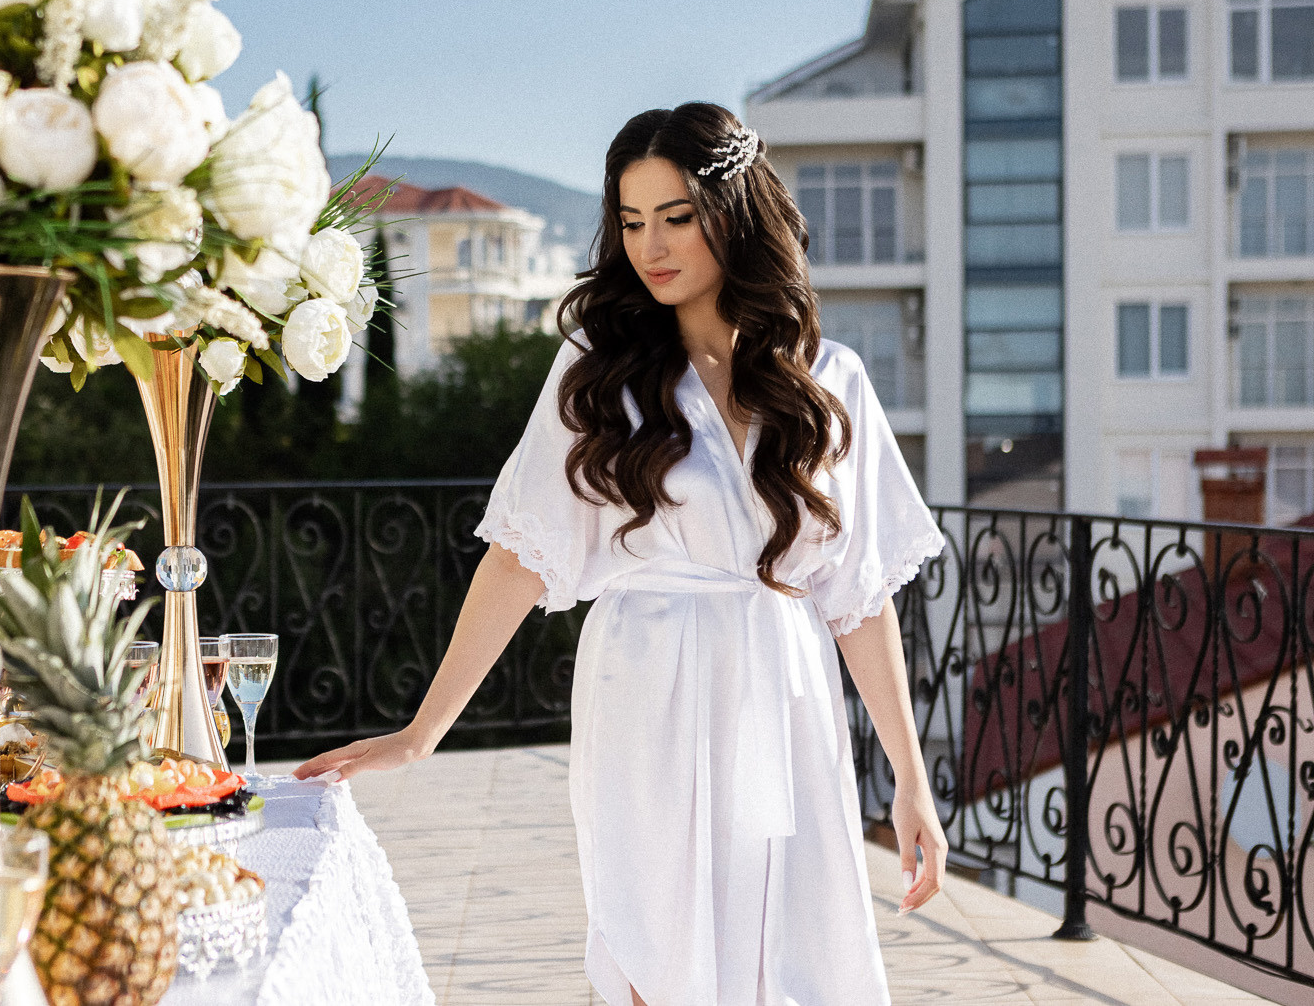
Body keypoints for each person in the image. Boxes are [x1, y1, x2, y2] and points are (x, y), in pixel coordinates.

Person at [296, 103, 949, 1006]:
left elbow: (859, 597)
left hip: (787, 698)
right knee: (653, 957)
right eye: (632, 221)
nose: (651, 246)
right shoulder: (598, 372)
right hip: (649, 691)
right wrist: (421, 733)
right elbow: (520, 557)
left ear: (734, 215)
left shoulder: (827, 379)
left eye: (675, 216)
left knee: (795, 962)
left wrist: (911, 781)